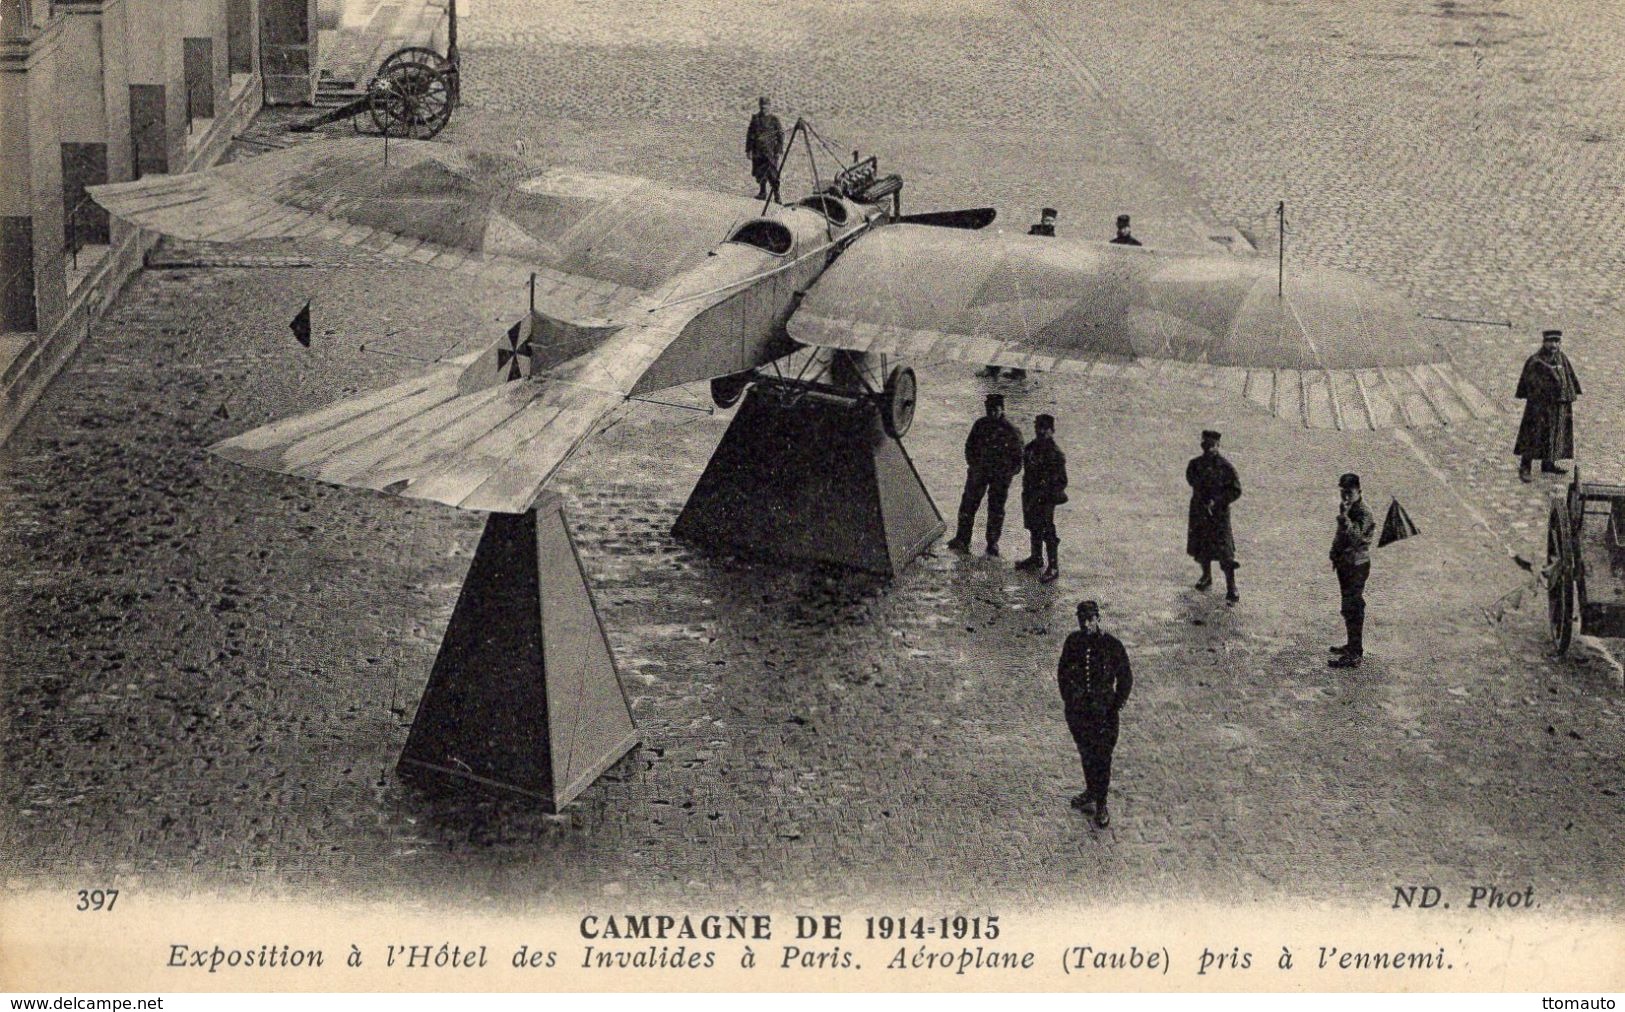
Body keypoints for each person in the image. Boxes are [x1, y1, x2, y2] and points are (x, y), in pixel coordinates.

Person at [1057, 600, 1132, 827]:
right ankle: (1091, 791)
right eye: (1083, 621)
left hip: (1104, 715)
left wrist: (1115, 705)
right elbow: (1062, 672)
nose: (1087, 625)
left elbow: (1125, 678)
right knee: (1086, 754)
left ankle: (1101, 803)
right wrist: (1070, 700)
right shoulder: (1073, 642)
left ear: (1098, 619)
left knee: (1102, 758)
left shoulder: (1112, 645)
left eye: (1090, 620)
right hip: (1080, 713)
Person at [978, 210, 1057, 379]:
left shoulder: (1053, 243)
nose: (1049, 223)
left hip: (1035, 295)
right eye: (1047, 220)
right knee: (1007, 329)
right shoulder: (1032, 236)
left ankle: (1018, 370)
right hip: (1023, 291)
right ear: (1042, 220)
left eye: (1051, 221)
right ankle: (996, 368)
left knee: (1024, 332)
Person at [947, 394, 1024, 556]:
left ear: (1002, 409)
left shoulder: (1011, 431)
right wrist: (974, 465)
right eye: (989, 410)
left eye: (995, 410)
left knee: (996, 509)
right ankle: (962, 538)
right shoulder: (980, 425)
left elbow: (1018, 459)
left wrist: (1006, 475)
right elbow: (970, 446)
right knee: (968, 505)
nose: (992, 413)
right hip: (979, 473)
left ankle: (993, 542)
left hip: (999, 478)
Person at [1514, 329, 1582, 483]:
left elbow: (1568, 378)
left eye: (1557, 342)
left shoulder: (1561, 358)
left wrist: (1567, 394)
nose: (1554, 345)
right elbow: (1530, 384)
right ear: (1544, 342)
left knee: (1555, 434)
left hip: (1558, 405)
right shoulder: (1536, 360)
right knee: (1533, 434)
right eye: (1551, 342)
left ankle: (1549, 463)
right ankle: (1525, 467)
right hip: (1540, 407)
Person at [1186, 429, 1242, 603]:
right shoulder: (1195, 464)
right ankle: (1206, 576)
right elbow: (1191, 479)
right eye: (1206, 445)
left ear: (1218, 446)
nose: (1209, 449)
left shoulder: (1226, 467)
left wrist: (1217, 501)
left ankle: (1231, 586)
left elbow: (1235, 490)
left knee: (1225, 553)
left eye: (1213, 446)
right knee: (1202, 547)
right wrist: (1203, 498)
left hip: (1219, 516)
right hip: (1200, 512)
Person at [1328, 472, 1376, 669]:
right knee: (1347, 607)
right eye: (1342, 492)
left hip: (1357, 565)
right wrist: (1334, 552)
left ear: (1359, 491)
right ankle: (1351, 645)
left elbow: (1356, 538)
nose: (1345, 497)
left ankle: (1355, 653)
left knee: (1354, 606)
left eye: (1349, 492)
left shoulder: (1364, 513)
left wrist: (1345, 518)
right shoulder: (1347, 507)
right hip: (1345, 563)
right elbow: (1341, 535)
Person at [1016, 414, 1068, 583]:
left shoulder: (1056, 454)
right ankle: (1036, 557)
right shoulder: (1031, 448)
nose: (1041, 431)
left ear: (1052, 431)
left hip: (1046, 498)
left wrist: (1048, 493)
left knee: (1047, 529)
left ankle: (1053, 566)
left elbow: (1062, 481)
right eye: (1039, 428)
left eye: (1045, 429)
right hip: (1030, 494)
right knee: (1033, 525)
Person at [746, 96, 784, 202]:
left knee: (773, 174)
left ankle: (777, 195)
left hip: (770, 152)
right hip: (758, 152)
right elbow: (750, 134)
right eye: (762, 106)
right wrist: (748, 150)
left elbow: (780, 135)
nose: (764, 108)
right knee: (760, 173)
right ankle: (762, 192)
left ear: (769, 106)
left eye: (766, 106)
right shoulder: (755, 119)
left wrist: (778, 150)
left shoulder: (774, 120)